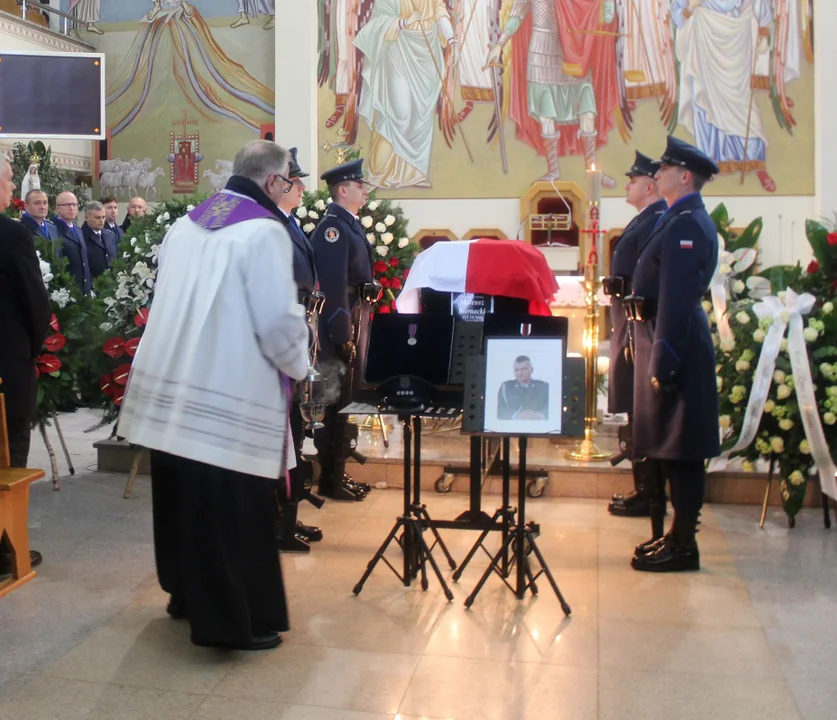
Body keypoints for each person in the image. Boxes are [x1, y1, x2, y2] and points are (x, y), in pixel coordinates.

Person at [117, 140, 309, 650]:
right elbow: (276, 321)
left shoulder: (190, 222)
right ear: (272, 182)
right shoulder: (264, 232)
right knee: (230, 511)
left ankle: (185, 596)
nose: (292, 189)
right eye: (290, 180)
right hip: (225, 394)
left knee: (184, 501)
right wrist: (301, 364)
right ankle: (230, 621)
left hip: (170, 388)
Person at [626, 136, 720, 573]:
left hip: (675, 342)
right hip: (664, 338)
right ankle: (674, 537)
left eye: (665, 169)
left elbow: (677, 298)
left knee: (682, 449)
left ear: (685, 176)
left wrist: (663, 356)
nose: (656, 174)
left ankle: (684, 544)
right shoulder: (679, 217)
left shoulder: (686, 223)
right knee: (670, 444)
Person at [486, 0, 619, 184]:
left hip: (573, 52)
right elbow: (517, 15)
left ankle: (592, 170)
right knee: (546, 115)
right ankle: (553, 171)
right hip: (542, 53)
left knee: (587, 112)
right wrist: (499, 45)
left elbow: (605, 16)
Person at [604, 152, 667, 521]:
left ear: (649, 186)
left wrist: (622, 287)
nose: (626, 185)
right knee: (633, 403)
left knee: (640, 403)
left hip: (637, 323)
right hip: (627, 320)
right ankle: (642, 488)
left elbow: (647, 275)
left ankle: (649, 492)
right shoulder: (645, 220)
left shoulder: (656, 221)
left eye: (632, 181)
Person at [311, 159, 375, 501]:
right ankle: (330, 478)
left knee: (348, 399)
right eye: (359, 184)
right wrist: (342, 333)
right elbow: (333, 287)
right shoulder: (332, 229)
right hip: (341, 322)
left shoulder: (349, 225)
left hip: (355, 315)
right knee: (335, 401)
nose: (365, 189)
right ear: (343, 190)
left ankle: (339, 472)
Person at [0, 155, 51, 574]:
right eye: (9, 178)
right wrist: (30, 352)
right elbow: (36, 304)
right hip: (6, 365)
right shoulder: (12, 236)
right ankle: (6, 550)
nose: (12, 185)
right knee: (8, 454)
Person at [274, 147, 323, 552]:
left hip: (300, 331)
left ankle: (288, 518)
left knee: (297, 428)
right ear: (280, 183)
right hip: (285, 336)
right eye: (298, 180)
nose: (304, 187)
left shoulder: (288, 222)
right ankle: (279, 524)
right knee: (286, 430)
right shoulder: (272, 226)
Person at [53, 191, 91, 296]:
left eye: (74, 204)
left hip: (83, 290)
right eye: (67, 205)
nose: (71, 208)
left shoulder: (78, 230)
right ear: (57, 208)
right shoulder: (54, 230)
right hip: (67, 291)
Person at [496, 355, 549, 420]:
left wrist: (539, 415)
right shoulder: (506, 387)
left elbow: (550, 409)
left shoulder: (544, 387)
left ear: (531, 370)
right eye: (516, 370)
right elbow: (499, 411)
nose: (520, 373)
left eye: (524, 369)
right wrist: (516, 415)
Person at [81, 201, 119, 280]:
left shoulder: (111, 235)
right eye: (97, 217)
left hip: (113, 283)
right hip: (94, 284)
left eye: (103, 217)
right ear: (86, 217)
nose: (101, 221)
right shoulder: (81, 237)